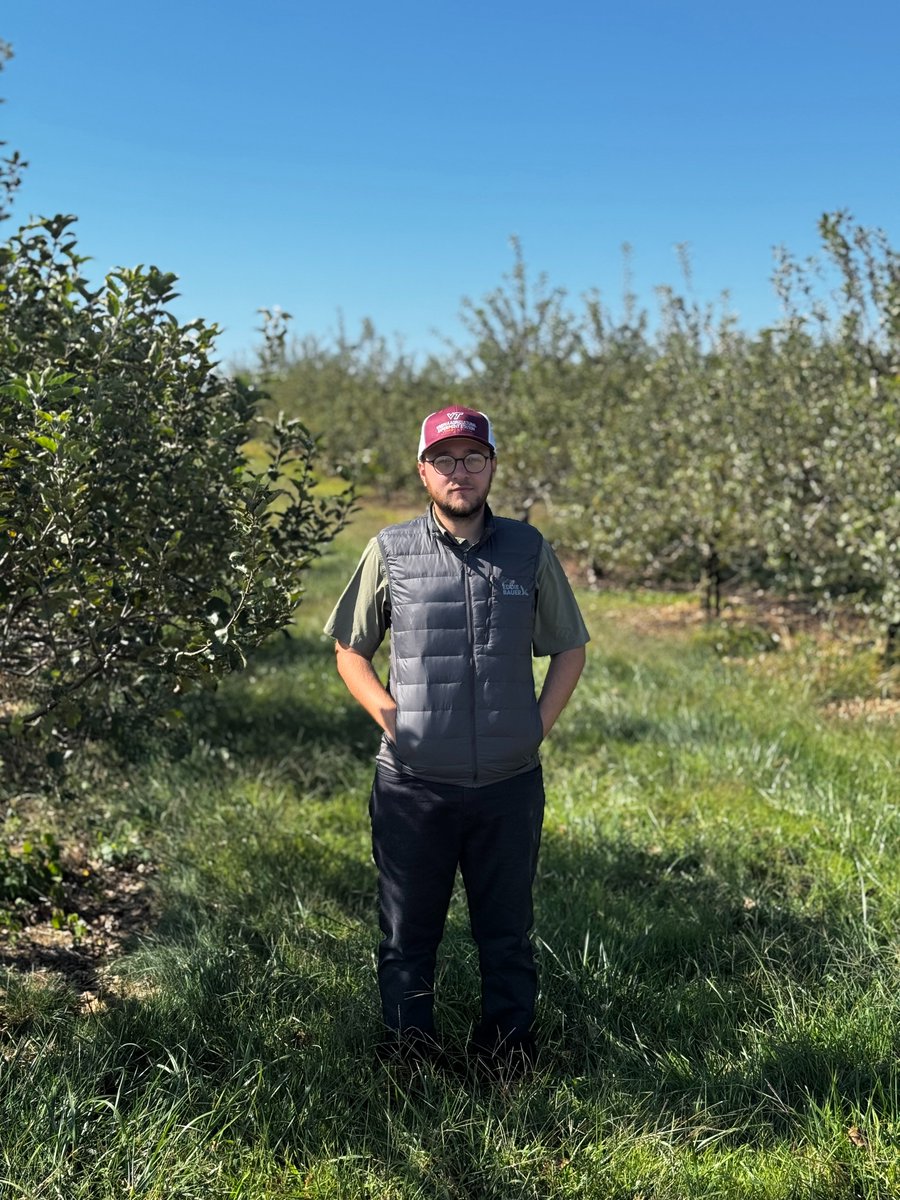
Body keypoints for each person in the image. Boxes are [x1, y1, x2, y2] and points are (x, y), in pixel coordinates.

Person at [324, 406, 589, 1072]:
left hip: (508, 784)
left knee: (507, 932)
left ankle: (508, 1050)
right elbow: (349, 649)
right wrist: (392, 718)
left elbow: (570, 648)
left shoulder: (527, 549)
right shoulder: (390, 549)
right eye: (445, 460)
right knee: (408, 933)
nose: (460, 472)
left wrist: (535, 725)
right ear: (423, 471)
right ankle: (410, 1050)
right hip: (414, 784)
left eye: (473, 458)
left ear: (492, 466)